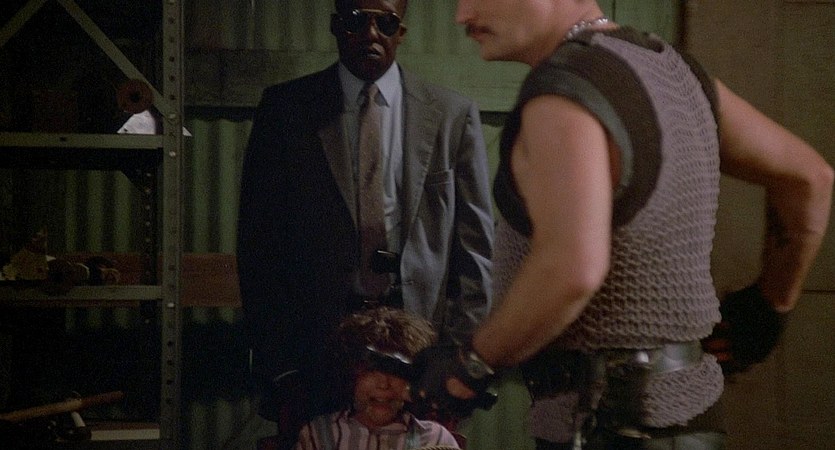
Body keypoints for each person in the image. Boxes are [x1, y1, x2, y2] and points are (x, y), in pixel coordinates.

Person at [412, 0, 834, 449]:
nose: (462, 14)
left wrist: (471, 365)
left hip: (604, 426)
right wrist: (770, 306)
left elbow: (572, 269)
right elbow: (810, 179)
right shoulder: (673, 71)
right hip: (692, 423)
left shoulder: (562, 93)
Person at [236, 0, 494, 445]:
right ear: (336, 26)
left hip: (420, 350)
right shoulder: (287, 110)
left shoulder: (451, 114)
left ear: (401, 31)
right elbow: (259, 246)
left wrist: (457, 355)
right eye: (357, 20)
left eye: (386, 22)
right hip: (316, 348)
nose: (371, 33)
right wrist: (281, 364)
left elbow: (475, 252)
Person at [294, 307, 461, 450]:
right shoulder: (320, 435)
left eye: (395, 372)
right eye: (371, 371)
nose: (383, 384)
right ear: (352, 374)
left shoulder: (434, 439)